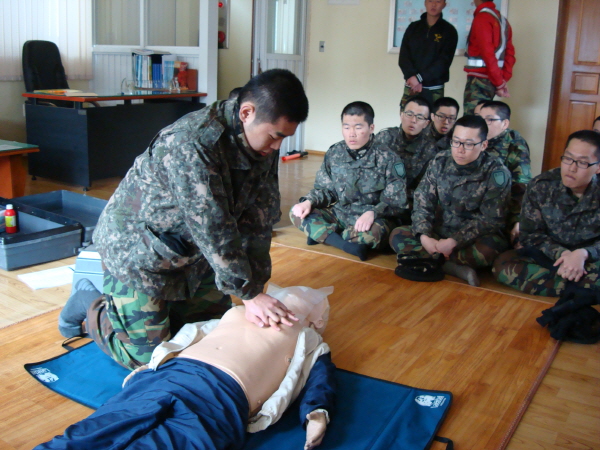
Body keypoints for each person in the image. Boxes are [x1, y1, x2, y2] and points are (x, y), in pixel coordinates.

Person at [59, 69, 310, 370]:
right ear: (247, 113)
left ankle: (167, 309)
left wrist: (256, 288)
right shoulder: (193, 142)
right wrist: (249, 295)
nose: (278, 146)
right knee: (149, 358)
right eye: (275, 136)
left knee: (206, 338)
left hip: (191, 253)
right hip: (139, 252)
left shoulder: (260, 142)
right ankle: (90, 303)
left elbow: (259, 217)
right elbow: (213, 227)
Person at [36, 285, 336, 450]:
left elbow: (319, 382)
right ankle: (90, 302)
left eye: (301, 301)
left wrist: (316, 414)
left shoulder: (309, 341)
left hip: (222, 398)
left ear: (316, 320)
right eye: (285, 295)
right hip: (171, 375)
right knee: (95, 430)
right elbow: (190, 333)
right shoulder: (236, 312)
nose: (289, 300)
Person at [390, 115, 511, 286]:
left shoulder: (496, 172)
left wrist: (454, 241)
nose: (460, 149)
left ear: (483, 145)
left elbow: (491, 220)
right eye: (456, 142)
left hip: (472, 238)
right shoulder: (440, 161)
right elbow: (423, 201)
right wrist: (424, 236)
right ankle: (451, 266)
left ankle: (430, 259)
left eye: (468, 144)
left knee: (489, 249)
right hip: (439, 230)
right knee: (397, 235)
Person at [290, 102, 408, 261]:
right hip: (340, 215)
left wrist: (373, 212)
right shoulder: (335, 153)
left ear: (371, 128)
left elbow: (396, 201)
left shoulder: (388, 158)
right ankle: (345, 244)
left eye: (358, 127)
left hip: (370, 219)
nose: (351, 134)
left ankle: (324, 235)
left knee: (375, 233)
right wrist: (308, 202)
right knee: (297, 213)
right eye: (346, 127)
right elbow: (326, 190)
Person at [493, 130, 600, 297]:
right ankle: (582, 289)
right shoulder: (541, 185)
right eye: (568, 158)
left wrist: (583, 253)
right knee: (503, 266)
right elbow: (530, 235)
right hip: (550, 255)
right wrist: (563, 254)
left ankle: (572, 286)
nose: (571, 168)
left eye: (582, 163)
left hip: (589, 260)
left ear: (598, 167)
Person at [375, 95, 438, 219]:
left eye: (420, 117)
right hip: (376, 199)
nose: (413, 120)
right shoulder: (384, 137)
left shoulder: (430, 149)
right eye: (409, 114)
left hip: (406, 205)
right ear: (401, 115)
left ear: (427, 123)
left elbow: (424, 189)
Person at [479, 101, 532, 245]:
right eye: (480, 119)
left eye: (489, 120)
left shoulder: (516, 146)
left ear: (505, 124)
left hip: (500, 209)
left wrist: (517, 221)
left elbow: (521, 187)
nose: (482, 124)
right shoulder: (476, 139)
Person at [398, 0, 458, 109]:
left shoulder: (449, 31)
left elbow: (444, 62)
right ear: (425, 3)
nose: (433, 4)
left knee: (433, 117)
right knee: (408, 117)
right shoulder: (413, 27)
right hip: (412, 85)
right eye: (430, 0)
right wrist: (413, 77)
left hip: (434, 88)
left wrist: (420, 78)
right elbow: (404, 57)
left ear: (444, 5)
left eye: (438, 1)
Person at [463, 0, 516, 115]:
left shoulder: (482, 18)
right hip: (492, 80)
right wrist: (502, 80)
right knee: (485, 119)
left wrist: (500, 83)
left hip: (479, 80)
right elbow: (510, 54)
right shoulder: (502, 20)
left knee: (472, 120)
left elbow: (487, 53)